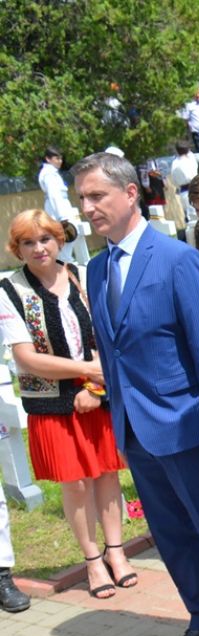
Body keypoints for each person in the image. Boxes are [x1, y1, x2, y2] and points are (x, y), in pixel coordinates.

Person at [73, 151, 199, 636]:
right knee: (172, 535)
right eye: (82, 198)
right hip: (136, 430)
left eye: (97, 196)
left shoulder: (177, 259)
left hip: (187, 426)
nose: (87, 208)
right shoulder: (97, 268)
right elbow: (113, 353)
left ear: (131, 193)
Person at [1, 210, 133, 599]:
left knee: (107, 474)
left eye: (45, 239)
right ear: (17, 249)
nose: (39, 248)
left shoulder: (83, 275)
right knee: (74, 483)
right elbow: (27, 358)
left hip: (97, 393)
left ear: (59, 240)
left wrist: (94, 386)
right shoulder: (9, 291)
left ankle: (116, 552)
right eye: (28, 242)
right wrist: (87, 370)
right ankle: (92, 560)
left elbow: (110, 333)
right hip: (52, 403)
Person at [38, 147, 91, 266]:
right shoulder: (49, 174)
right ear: (48, 159)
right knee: (65, 240)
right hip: (59, 211)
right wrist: (62, 217)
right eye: (57, 158)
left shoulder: (52, 173)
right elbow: (54, 196)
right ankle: (63, 265)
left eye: (61, 158)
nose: (60, 161)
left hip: (61, 208)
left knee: (68, 240)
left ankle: (64, 263)